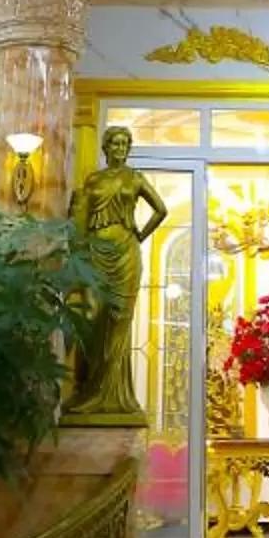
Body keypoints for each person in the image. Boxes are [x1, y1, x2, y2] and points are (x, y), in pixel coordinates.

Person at [64, 124, 168, 423]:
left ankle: (115, 398)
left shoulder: (135, 178)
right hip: (96, 252)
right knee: (92, 317)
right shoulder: (93, 179)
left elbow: (161, 210)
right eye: (115, 143)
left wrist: (140, 236)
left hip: (125, 253)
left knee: (119, 320)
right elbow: (81, 217)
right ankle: (89, 392)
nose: (120, 148)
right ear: (106, 148)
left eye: (125, 144)